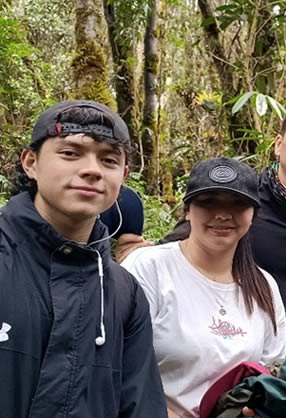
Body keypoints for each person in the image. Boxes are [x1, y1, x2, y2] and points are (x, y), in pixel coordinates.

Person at [117, 97, 286, 357]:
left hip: (281, 363)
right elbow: (183, 247)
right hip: (214, 351)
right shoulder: (241, 200)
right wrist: (138, 259)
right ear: (278, 145)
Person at [0, 100, 167, 417]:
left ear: (123, 176)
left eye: (108, 159)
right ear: (30, 162)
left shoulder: (123, 293)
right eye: (70, 153)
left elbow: (141, 405)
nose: (91, 169)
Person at [121, 157, 286, 418]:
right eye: (208, 202)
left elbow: (268, 375)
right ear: (187, 210)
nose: (222, 214)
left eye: (237, 204)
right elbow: (118, 367)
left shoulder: (264, 287)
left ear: (253, 214)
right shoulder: (149, 268)